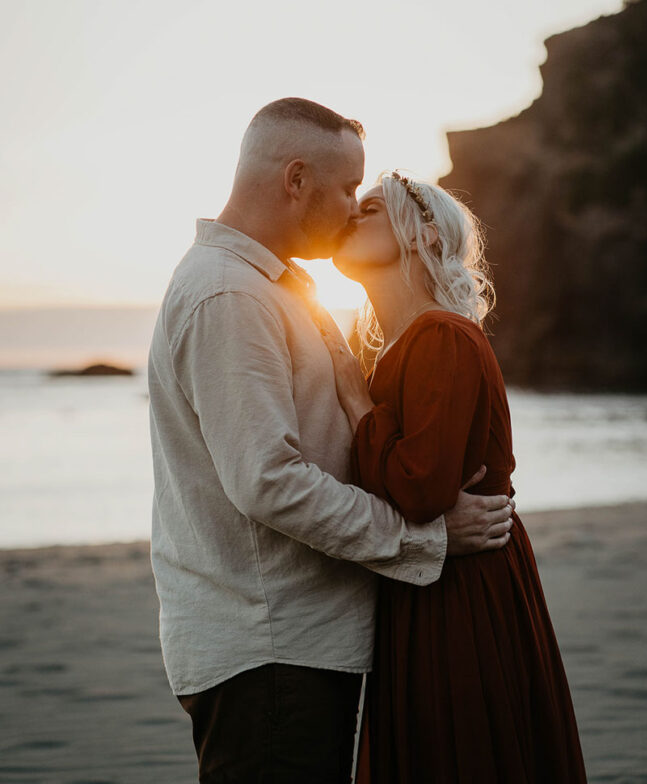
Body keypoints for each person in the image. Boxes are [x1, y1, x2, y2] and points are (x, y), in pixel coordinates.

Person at [148, 99, 514, 784]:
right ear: (295, 179)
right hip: (270, 648)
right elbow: (268, 481)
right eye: (348, 189)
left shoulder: (273, 289)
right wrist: (426, 540)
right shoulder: (229, 295)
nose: (353, 208)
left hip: (293, 645)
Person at [319, 171, 588, 784]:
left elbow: (420, 490)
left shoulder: (441, 336)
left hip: (464, 587)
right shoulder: (400, 348)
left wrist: (357, 406)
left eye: (369, 210)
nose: (349, 219)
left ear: (422, 237)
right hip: (431, 576)